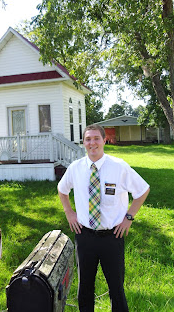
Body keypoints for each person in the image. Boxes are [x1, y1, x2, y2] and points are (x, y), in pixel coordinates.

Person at [58, 124, 150, 312]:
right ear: (83, 143)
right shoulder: (76, 168)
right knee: (85, 288)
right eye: (88, 139)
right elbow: (62, 190)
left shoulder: (119, 166)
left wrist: (129, 217)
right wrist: (69, 212)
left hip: (112, 237)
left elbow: (142, 190)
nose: (92, 143)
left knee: (116, 288)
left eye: (96, 138)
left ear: (104, 140)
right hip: (85, 236)